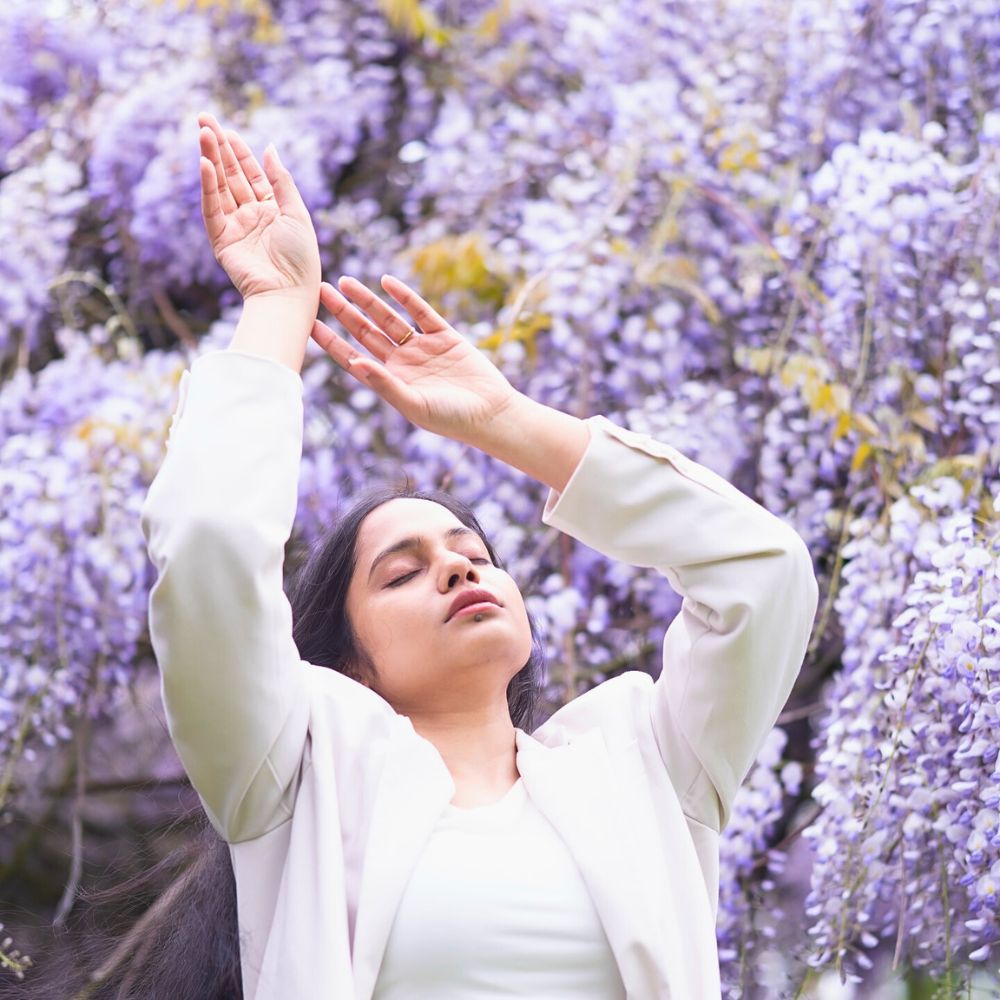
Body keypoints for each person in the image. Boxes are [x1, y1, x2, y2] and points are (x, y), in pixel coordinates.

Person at [134, 112, 819, 999]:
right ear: (346, 663)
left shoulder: (645, 764)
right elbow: (209, 544)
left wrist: (508, 425)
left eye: (475, 553)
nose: (458, 569)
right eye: (401, 571)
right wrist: (276, 309)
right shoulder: (297, 779)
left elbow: (761, 573)